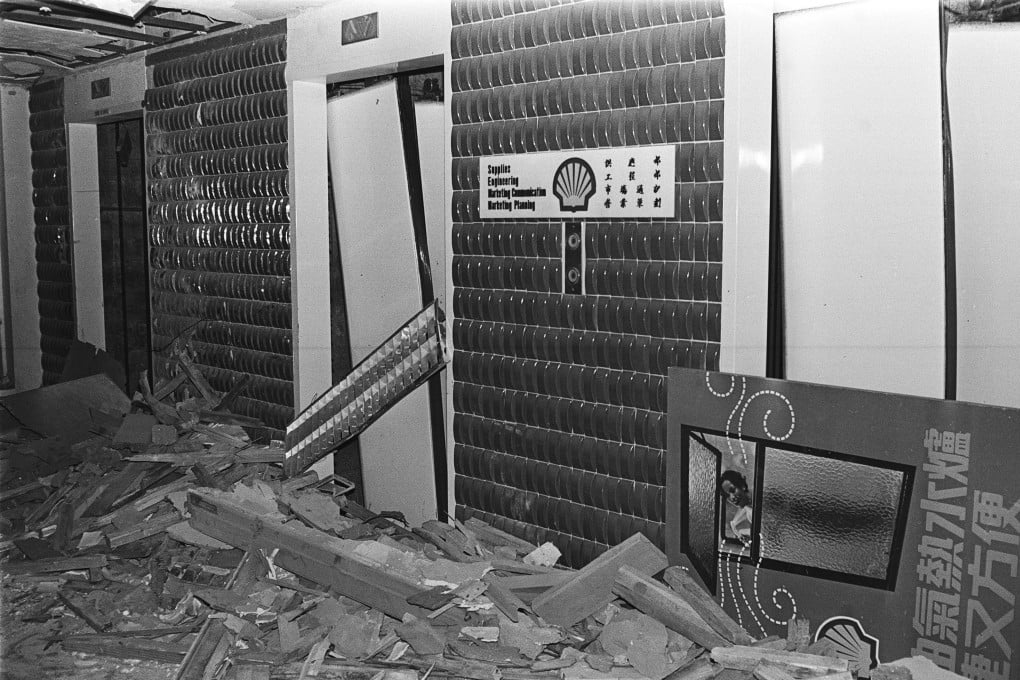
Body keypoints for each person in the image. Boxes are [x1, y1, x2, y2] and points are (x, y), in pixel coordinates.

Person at [719, 469, 753, 543]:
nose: (732, 497)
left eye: (732, 490)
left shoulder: (760, 502)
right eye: (727, 496)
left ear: (742, 486)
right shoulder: (747, 507)